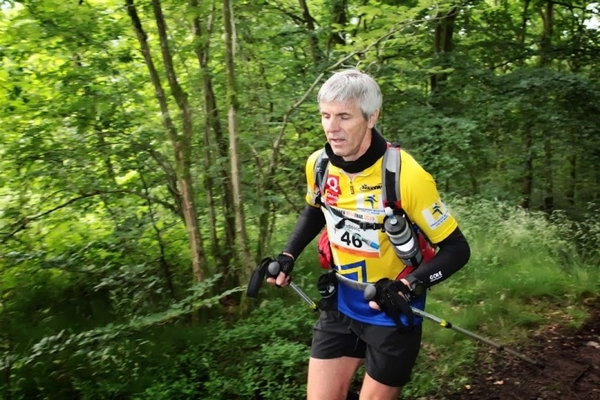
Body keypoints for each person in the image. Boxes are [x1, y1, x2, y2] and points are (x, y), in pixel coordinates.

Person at [266, 69, 470, 400]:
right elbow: (316, 208)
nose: (332, 128)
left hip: (391, 311)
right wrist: (288, 255)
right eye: (326, 116)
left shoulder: (407, 176)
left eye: (344, 116)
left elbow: (457, 249)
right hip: (340, 303)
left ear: (371, 116)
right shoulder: (319, 165)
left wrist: (409, 285)